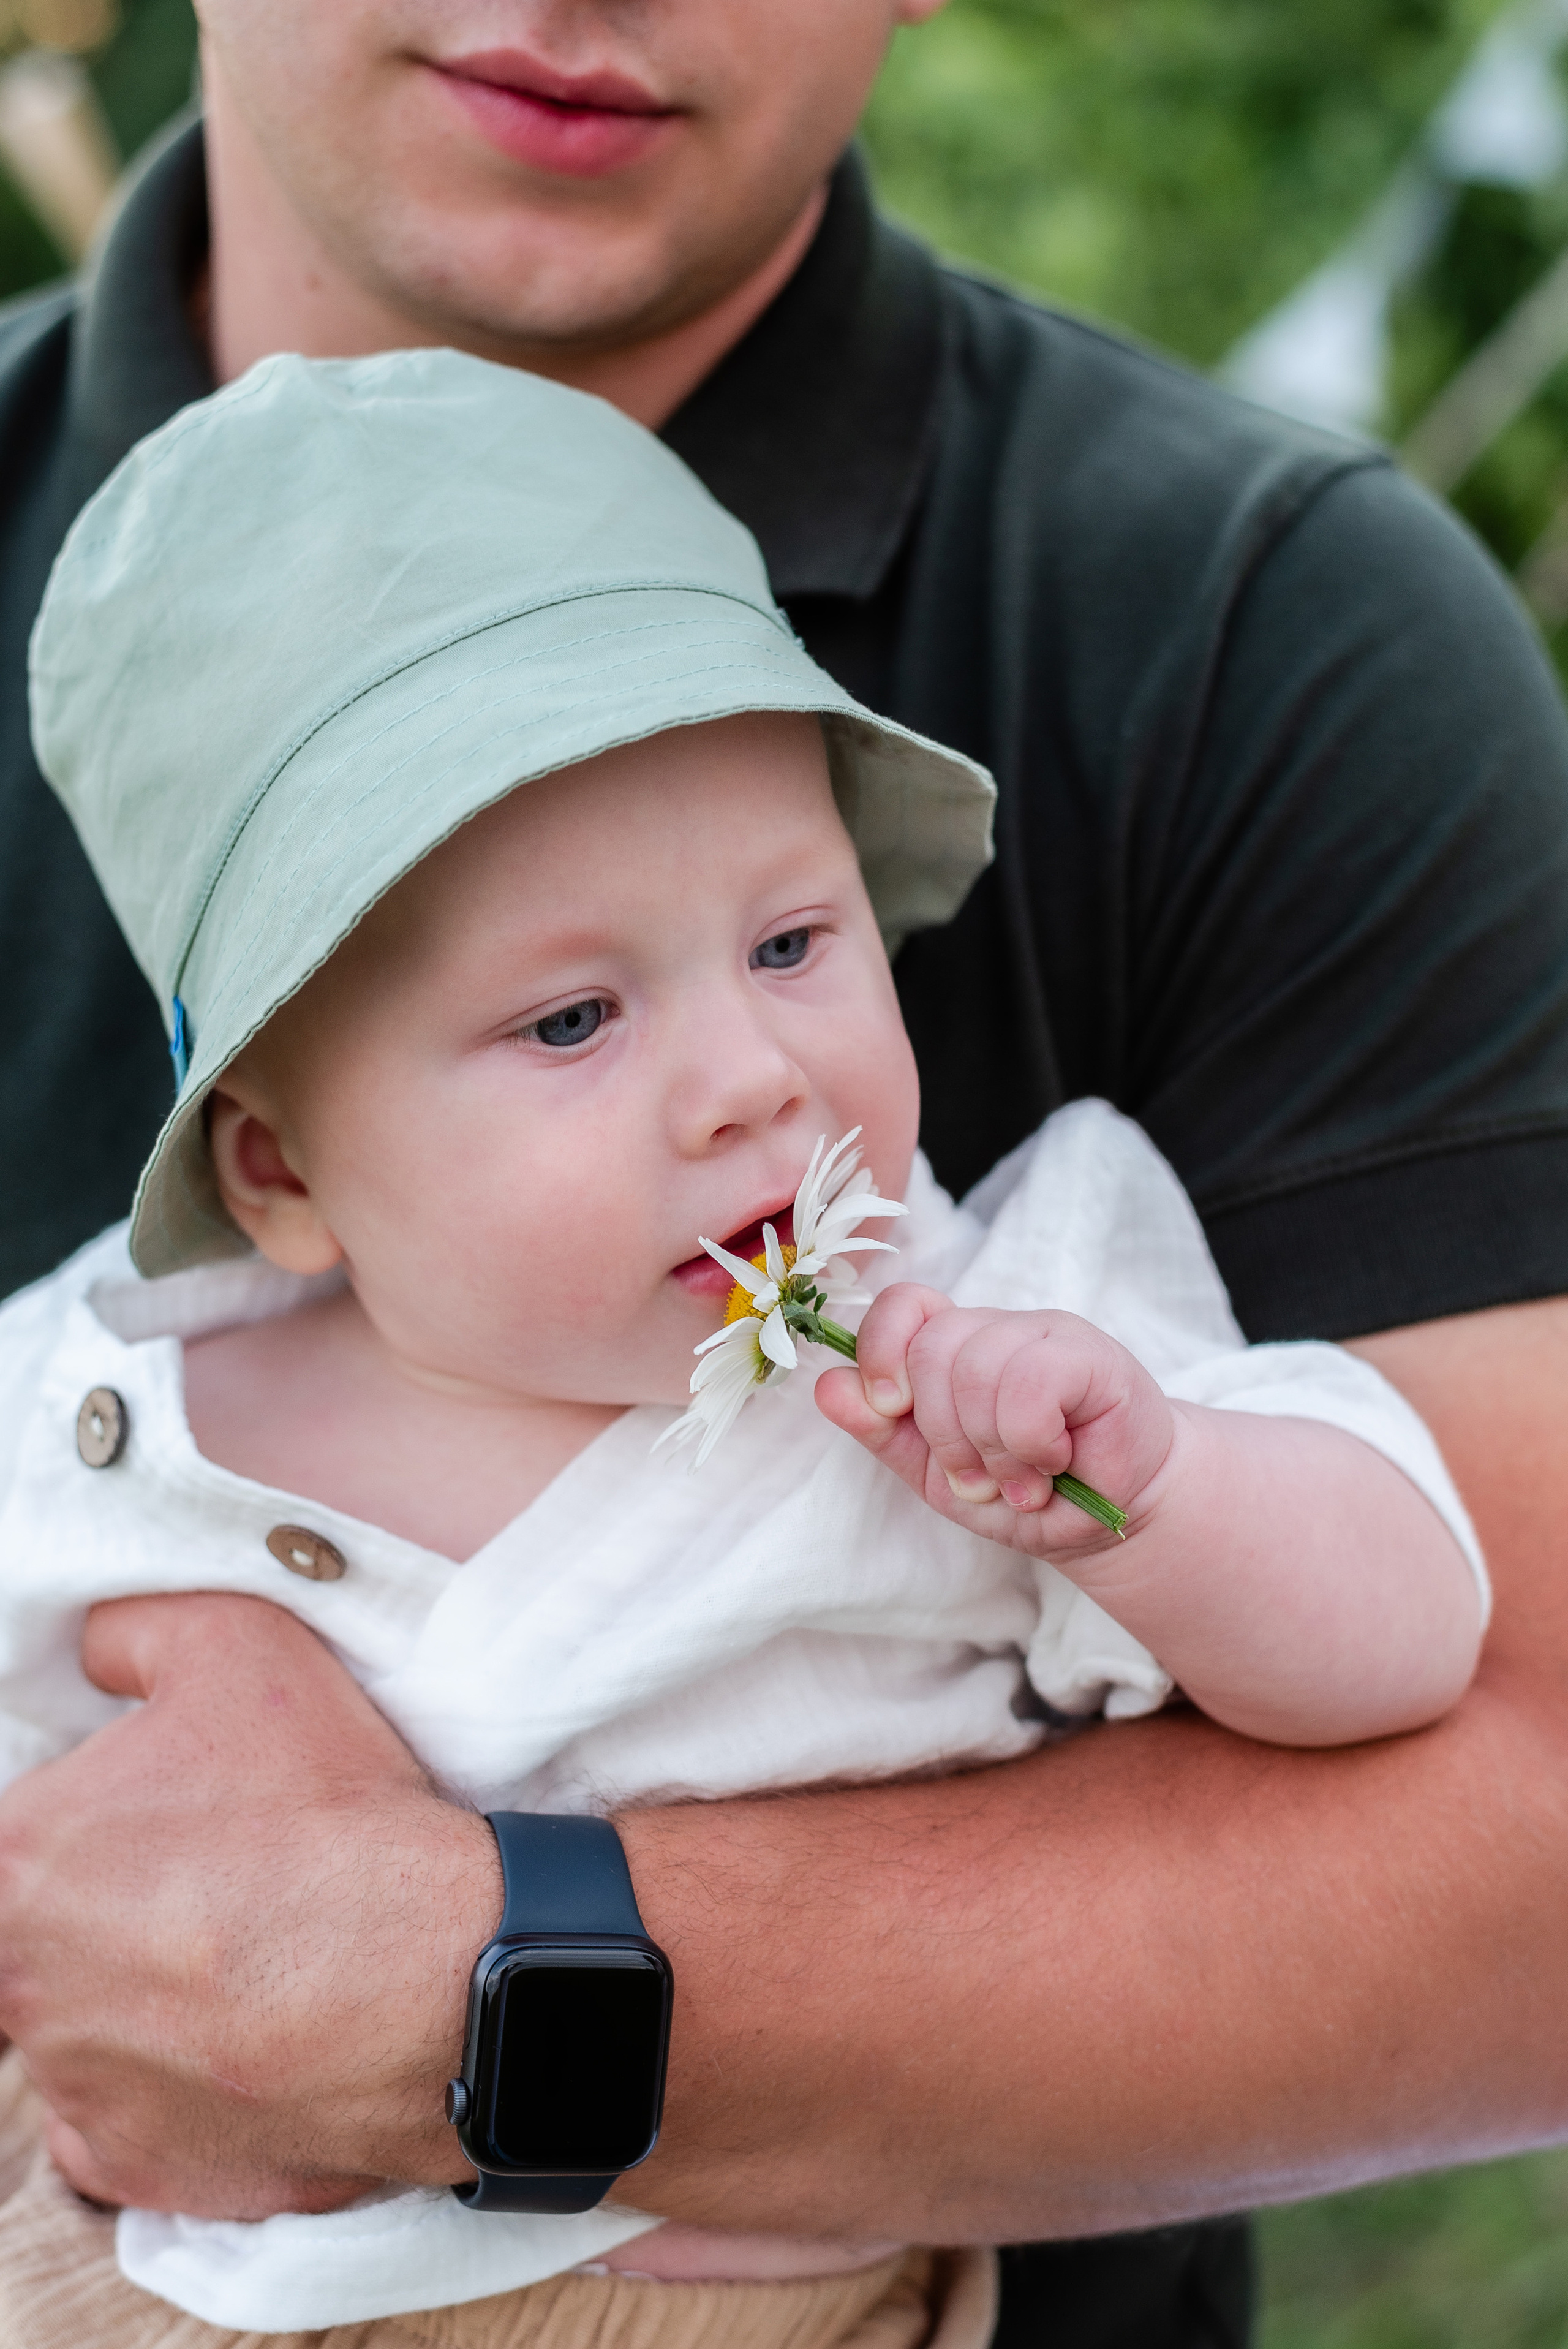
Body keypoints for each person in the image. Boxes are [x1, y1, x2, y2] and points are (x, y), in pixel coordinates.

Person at [0, 4, 1566, 2345]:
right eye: (565, 1018)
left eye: (803, 938)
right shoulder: (112, 1401)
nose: (750, 1081)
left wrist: (473, 1982)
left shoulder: (992, 1325)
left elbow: (1477, 1730)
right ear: (279, 1167)